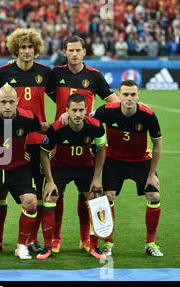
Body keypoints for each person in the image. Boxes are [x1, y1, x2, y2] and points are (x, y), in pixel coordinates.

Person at [45, 35, 118, 254]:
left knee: (87, 194)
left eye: (78, 50)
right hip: (59, 142)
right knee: (57, 192)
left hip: (85, 142)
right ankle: (55, 238)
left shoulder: (94, 76)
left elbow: (113, 103)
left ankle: (85, 238)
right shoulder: (56, 74)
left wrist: (90, 116)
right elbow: (44, 91)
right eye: (70, 50)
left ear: (84, 52)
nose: (74, 54)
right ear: (64, 52)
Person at [0, 28, 53, 255]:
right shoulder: (3, 72)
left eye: (30, 47)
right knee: (0, 191)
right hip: (8, 139)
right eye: (23, 47)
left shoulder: (45, 72)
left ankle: (32, 239)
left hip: (36, 140)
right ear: (16, 49)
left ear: (36, 49)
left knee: (36, 193)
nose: (27, 51)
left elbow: (60, 97)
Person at [0, 83, 49, 260]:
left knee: (31, 201)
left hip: (18, 168)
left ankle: (22, 245)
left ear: (18, 101)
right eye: (4, 102)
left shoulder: (28, 118)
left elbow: (43, 128)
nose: (7, 106)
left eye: (11, 102)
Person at [91, 79, 163, 257]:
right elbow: (87, 120)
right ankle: (108, 243)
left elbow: (157, 144)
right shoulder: (107, 111)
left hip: (141, 160)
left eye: (132, 94)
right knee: (108, 196)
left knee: (154, 194)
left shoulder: (148, 115)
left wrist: (152, 174)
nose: (129, 98)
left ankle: (151, 243)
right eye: (125, 94)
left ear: (138, 96)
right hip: (114, 160)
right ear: (119, 96)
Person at [39, 93, 107, 260]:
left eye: (81, 110)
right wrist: (49, 181)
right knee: (49, 198)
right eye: (74, 110)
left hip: (84, 167)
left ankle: (92, 244)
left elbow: (101, 150)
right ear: (67, 111)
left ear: (86, 111)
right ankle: (49, 244)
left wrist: (96, 177)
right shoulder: (56, 128)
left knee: (95, 198)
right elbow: (43, 153)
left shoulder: (97, 127)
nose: (78, 114)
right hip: (60, 167)